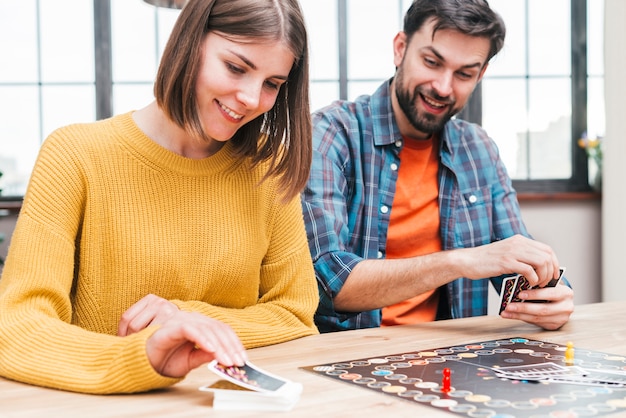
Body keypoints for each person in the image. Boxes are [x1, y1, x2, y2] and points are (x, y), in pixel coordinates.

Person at [0, 0, 318, 394]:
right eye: (236, 67)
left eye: (272, 83)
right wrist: (143, 355)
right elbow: (15, 327)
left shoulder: (269, 167)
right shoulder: (74, 154)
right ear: (188, 43)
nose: (252, 98)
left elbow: (296, 315)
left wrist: (186, 319)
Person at [301, 0, 574, 333]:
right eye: (432, 62)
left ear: (480, 75)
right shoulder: (331, 134)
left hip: (452, 364)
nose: (443, 88)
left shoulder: (479, 149)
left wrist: (553, 298)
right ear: (401, 49)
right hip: (348, 360)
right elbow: (329, 283)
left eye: (464, 74)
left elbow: (518, 263)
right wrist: (460, 261)